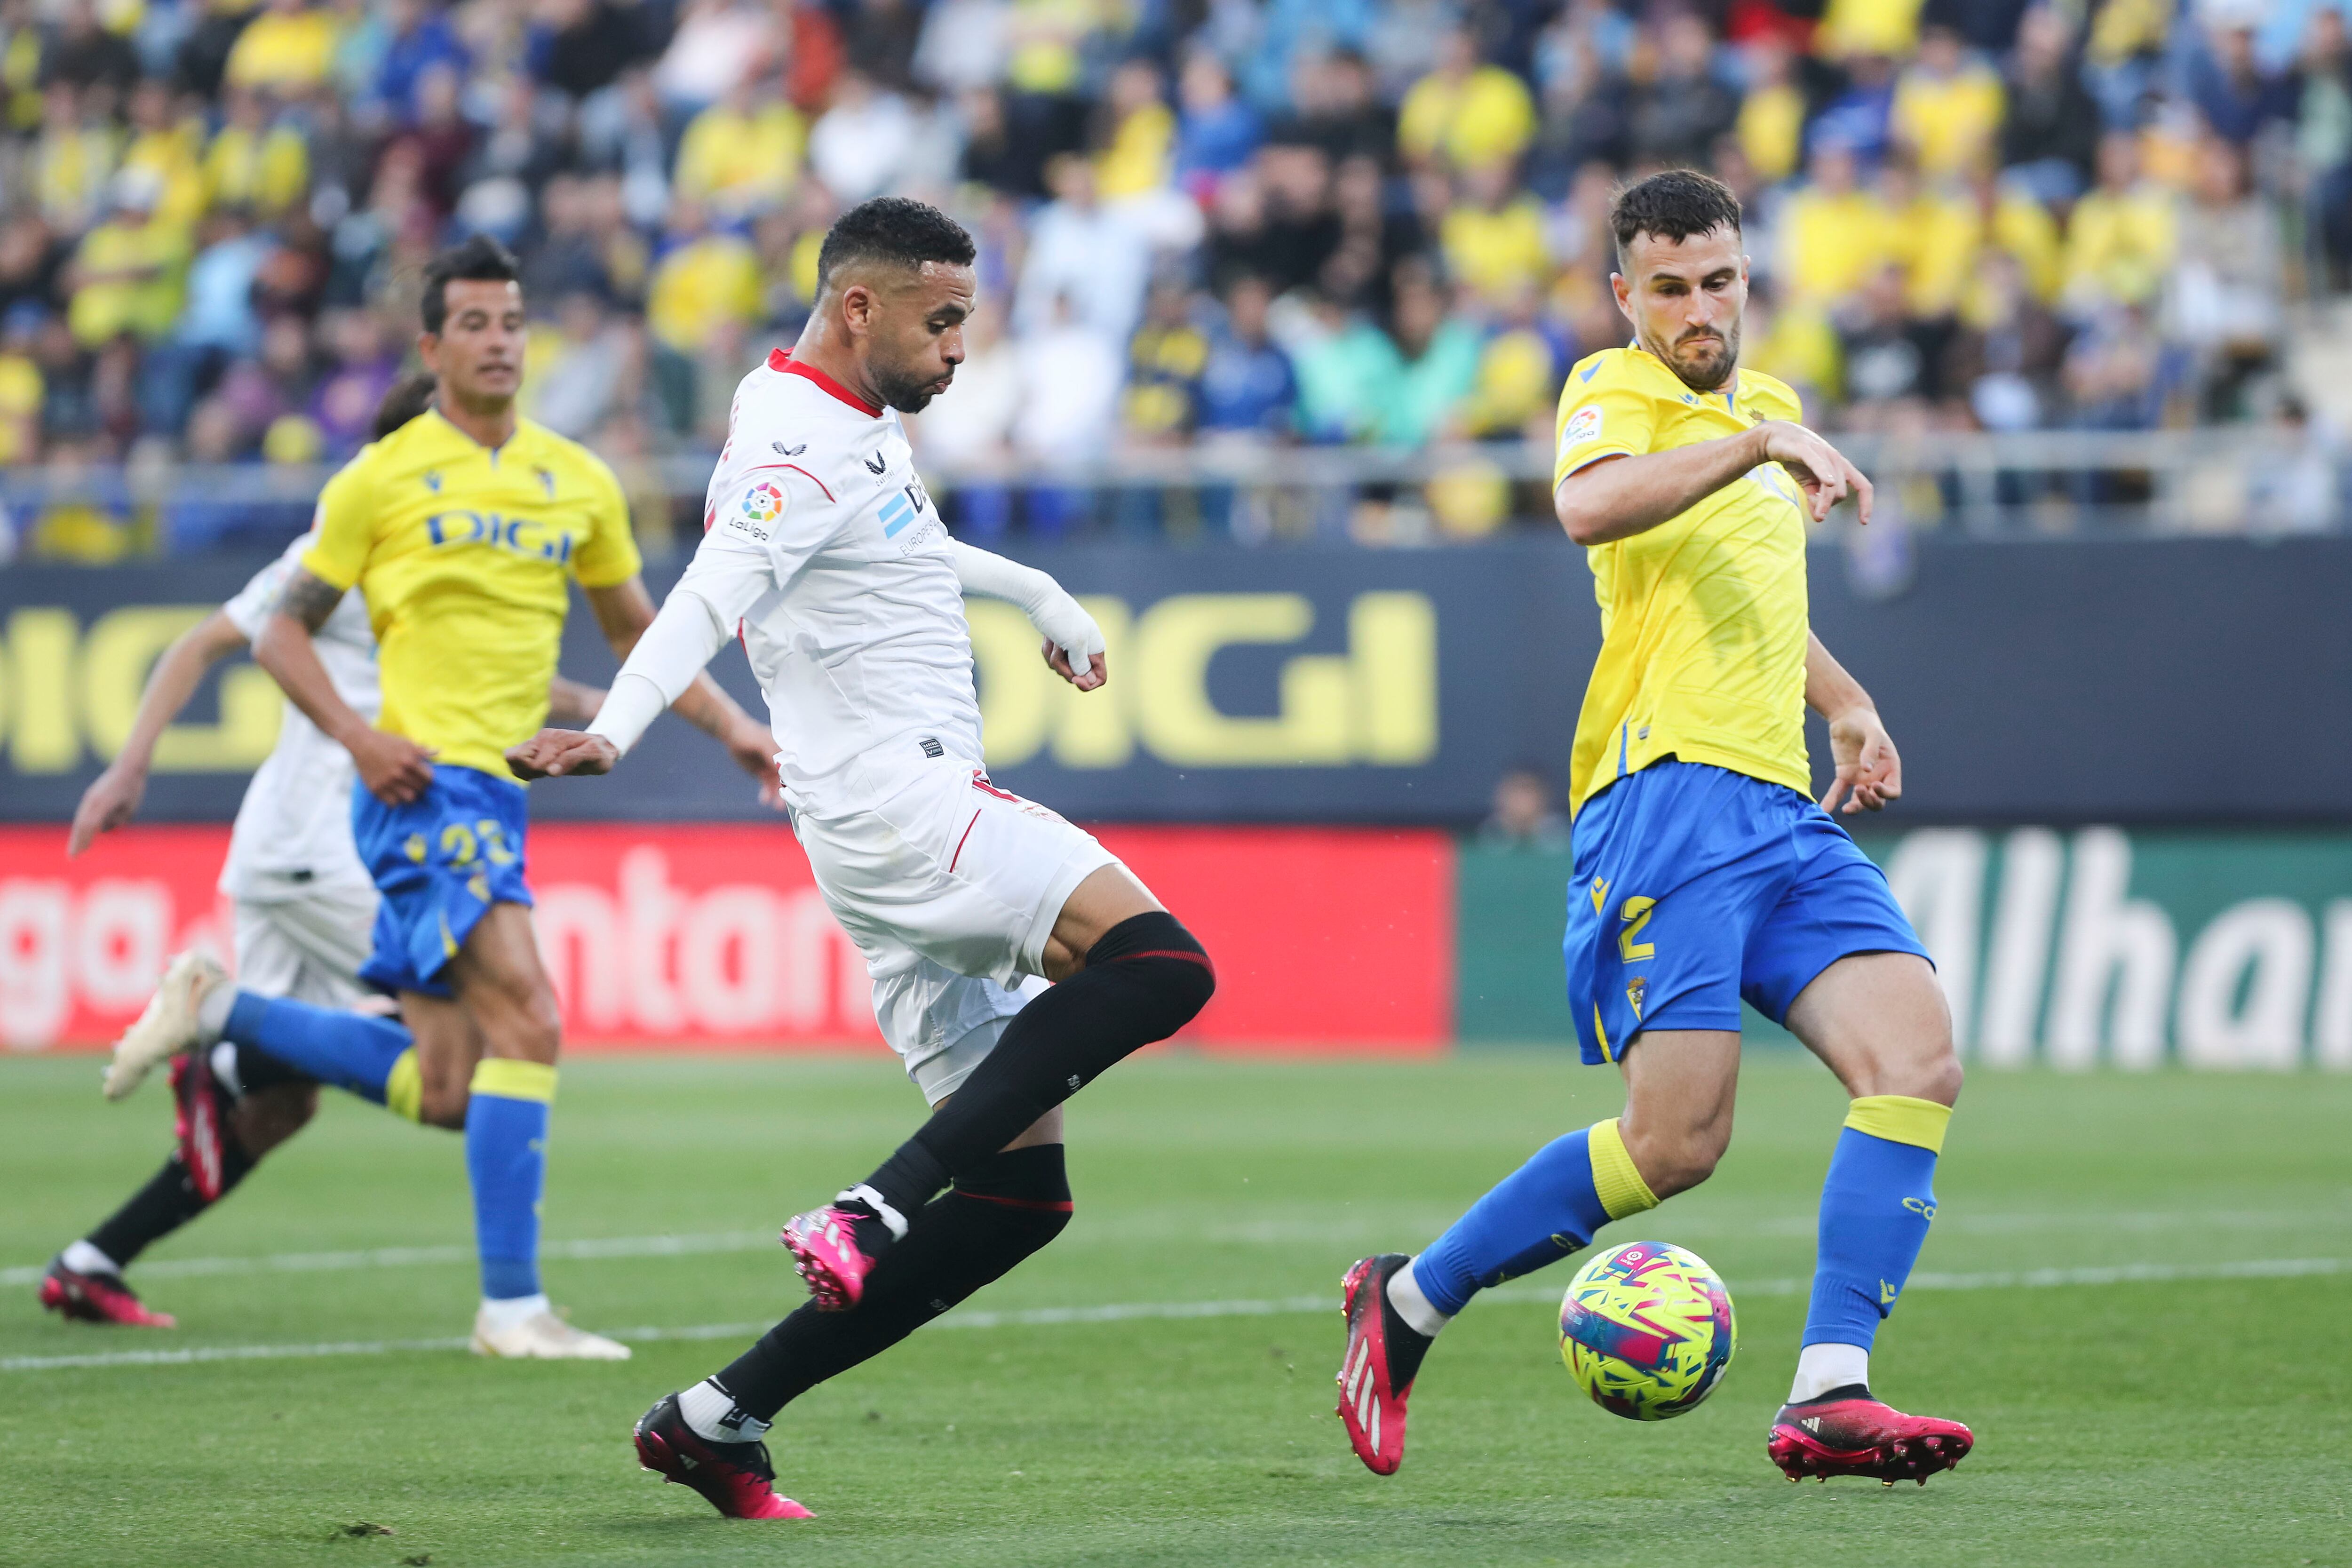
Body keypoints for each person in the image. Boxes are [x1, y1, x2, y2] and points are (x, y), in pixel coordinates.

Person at [506, 196, 1217, 1519]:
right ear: (859, 307)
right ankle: (878, 1200)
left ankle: (717, 1417)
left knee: (1017, 1193)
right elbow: (711, 590)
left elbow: (907, 544)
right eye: (942, 322)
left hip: (883, 820)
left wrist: (1041, 596)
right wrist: (612, 726)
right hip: (902, 806)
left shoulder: (843, 423)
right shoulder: (789, 448)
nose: (959, 350)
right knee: (1165, 963)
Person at [1334, 169, 1971, 1487]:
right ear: (1627, 293)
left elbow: (1752, 599)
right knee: (1677, 1143)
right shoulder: (1613, 392)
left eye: (1719, 280)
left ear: (1749, 278)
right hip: (1666, 794)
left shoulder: (1771, 407)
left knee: (1916, 1058)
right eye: (1669, 286)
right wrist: (1749, 446)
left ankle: (1830, 1389)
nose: (1697, 308)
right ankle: (1406, 1302)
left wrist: (1849, 704)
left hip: (1779, 805)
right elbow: (1588, 506)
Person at [105, 239, 780, 1360]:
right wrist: (362, 740)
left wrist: (738, 730)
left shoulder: (577, 478)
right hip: (424, 790)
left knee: (453, 1081)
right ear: (432, 345)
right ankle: (512, 1310)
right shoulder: (376, 480)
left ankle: (226, 1012)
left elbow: (636, 640)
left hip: (499, 799)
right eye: (474, 322)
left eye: (513, 320)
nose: (500, 339)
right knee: (534, 1013)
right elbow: (275, 630)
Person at [42, 375, 597, 1328]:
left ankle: (94, 1256)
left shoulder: (439, 545)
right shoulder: (351, 537)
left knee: (281, 1107)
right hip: (325, 841)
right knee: (486, 1057)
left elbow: (483, 672)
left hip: (307, 849)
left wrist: (609, 706)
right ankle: (222, 1019)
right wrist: (128, 766)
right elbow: (200, 645)